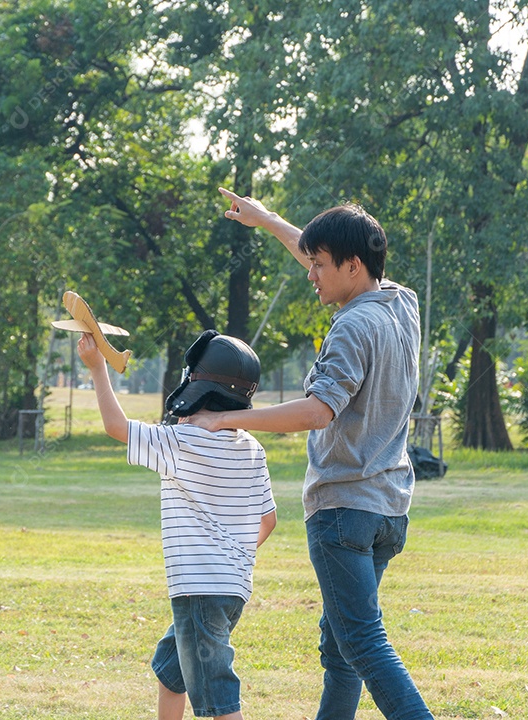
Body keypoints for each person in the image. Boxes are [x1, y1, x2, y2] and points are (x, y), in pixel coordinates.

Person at [184, 188, 433, 720]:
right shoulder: (400, 304)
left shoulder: (352, 326)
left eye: (319, 265)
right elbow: (324, 252)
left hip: (343, 509)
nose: (311, 272)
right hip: (388, 509)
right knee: (342, 648)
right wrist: (269, 220)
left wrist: (222, 417)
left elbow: (318, 412)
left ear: (353, 265)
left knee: (363, 644)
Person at [76, 329, 277, 720]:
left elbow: (117, 427)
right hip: (231, 591)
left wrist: (98, 367)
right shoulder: (253, 448)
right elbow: (268, 520)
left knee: (218, 701)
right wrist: (230, 556)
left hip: (198, 592)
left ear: (196, 387)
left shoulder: (181, 441)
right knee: (172, 675)